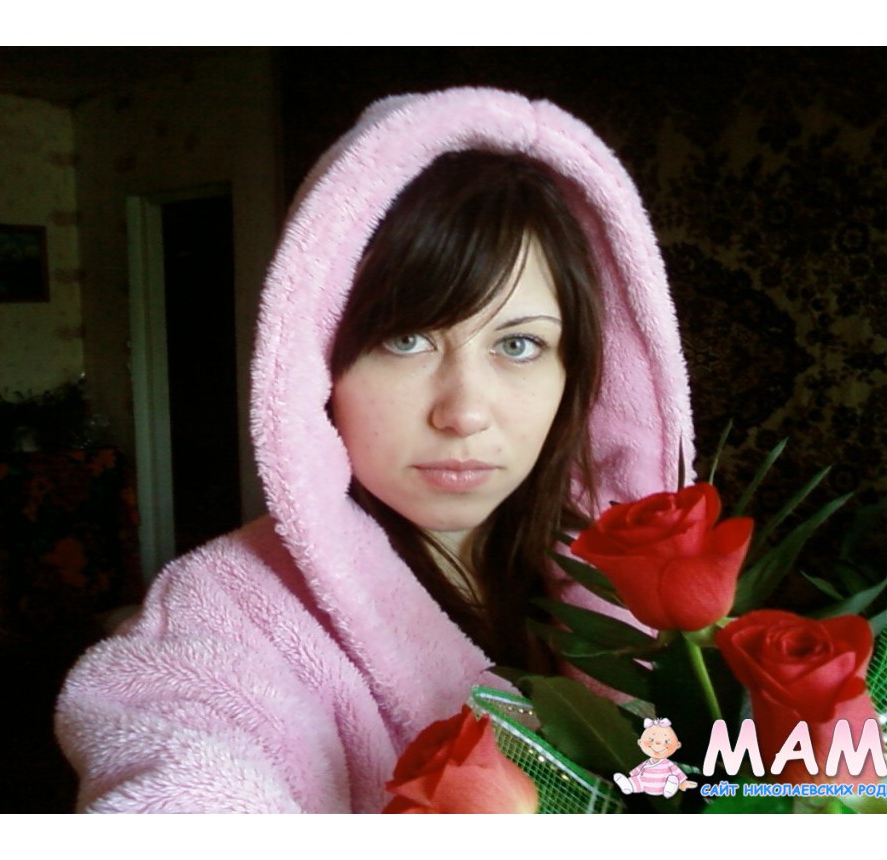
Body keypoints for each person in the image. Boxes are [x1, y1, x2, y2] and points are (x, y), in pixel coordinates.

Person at [55, 87, 694, 813]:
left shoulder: (636, 593)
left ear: (580, 375)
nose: (464, 413)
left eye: (519, 345)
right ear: (319, 361)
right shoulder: (220, 614)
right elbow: (183, 773)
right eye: (405, 339)